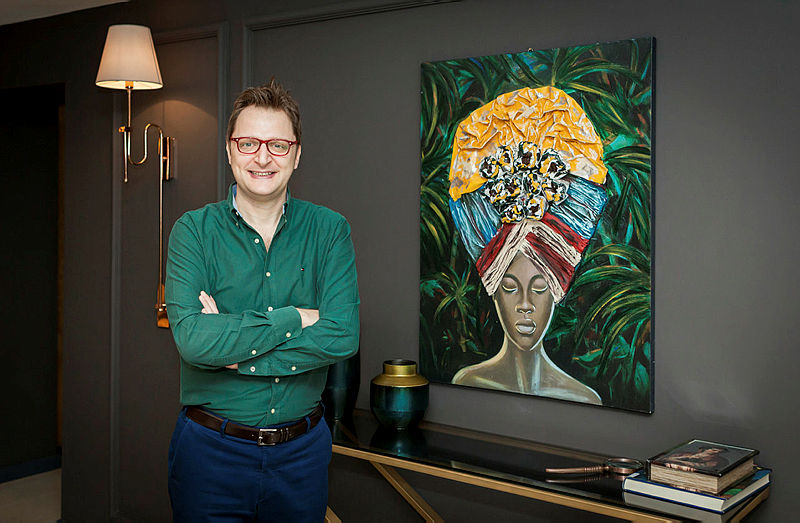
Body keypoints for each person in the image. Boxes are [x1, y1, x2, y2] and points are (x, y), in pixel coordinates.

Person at [164, 79, 359, 521]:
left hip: (302, 456)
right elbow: (194, 341)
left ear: (297, 154)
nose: (263, 157)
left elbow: (343, 334)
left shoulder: (330, 230)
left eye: (278, 145)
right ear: (230, 150)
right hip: (210, 454)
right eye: (249, 143)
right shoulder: (192, 232)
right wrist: (298, 317)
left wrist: (236, 355)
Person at [447, 86, 606, 404]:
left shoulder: (585, 399)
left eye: (540, 287)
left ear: (558, 291)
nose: (525, 304)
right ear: (492, 290)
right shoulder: (467, 383)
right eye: (509, 287)